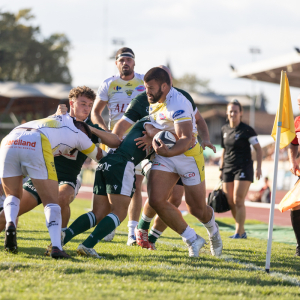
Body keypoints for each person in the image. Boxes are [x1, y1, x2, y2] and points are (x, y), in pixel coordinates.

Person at [114, 65, 215, 250]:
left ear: (165, 86)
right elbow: (145, 124)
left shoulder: (179, 102)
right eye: (146, 87)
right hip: (165, 154)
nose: (147, 92)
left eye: (150, 88)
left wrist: (204, 139)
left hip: (187, 155)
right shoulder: (148, 98)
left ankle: (213, 231)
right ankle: (191, 239)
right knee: (156, 199)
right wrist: (150, 134)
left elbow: (185, 138)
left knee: (196, 209)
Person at [0, 86, 121, 239]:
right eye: (83, 104)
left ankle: (59, 238)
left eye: (90, 105)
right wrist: (56, 116)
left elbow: (115, 142)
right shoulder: (57, 119)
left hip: (68, 178)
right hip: (41, 176)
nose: (87, 109)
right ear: (72, 103)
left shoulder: (88, 129)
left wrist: (91, 128)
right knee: (6, 216)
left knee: (61, 196)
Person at [0, 113, 104, 258]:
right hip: (36, 140)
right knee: (51, 202)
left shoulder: (58, 119)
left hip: (10, 139)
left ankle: (10, 223)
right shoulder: (79, 134)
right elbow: (102, 156)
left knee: (12, 196)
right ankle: (56, 247)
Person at [61, 116, 155, 257]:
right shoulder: (154, 122)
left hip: (107, 161)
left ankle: (62, 238)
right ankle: (87, 245)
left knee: (98, 213)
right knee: (120, 212)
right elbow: (153, 130)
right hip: (122, 163)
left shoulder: (156, 125)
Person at [91, 47, 145, 244]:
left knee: (136, 186)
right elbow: (95, 112)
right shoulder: (109, 83)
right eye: (121, 60)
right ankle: (109, 226)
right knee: (107, 186)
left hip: (138, 141)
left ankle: (132, 232)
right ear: (116, 63)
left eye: (129, 60)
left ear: (134, 63)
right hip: (114, 142)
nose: (125, 63)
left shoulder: (144, 81)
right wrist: (105, 132)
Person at [219, 99, 262, 239]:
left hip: (243, 168)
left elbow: (258, 149)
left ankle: (240, 231)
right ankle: (240, 230)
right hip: (228, 169)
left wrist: (258, 167)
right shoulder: (224, 129)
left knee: (238, 200)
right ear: (227, 112)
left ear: (240, 113)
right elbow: (224, 150)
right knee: (230, 201)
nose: (233, 114)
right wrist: (221, 168)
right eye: (230, 111)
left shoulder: (247, 130)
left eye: (235, 111)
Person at [288, 94, 300, 256]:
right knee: (295, 206)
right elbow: (292, 143)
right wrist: (292, 161)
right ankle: (299, 244)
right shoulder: (297, 122)